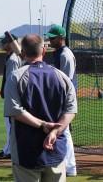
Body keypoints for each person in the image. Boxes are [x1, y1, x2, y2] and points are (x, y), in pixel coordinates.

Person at [4, 34, 77, 182]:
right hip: (56, 148)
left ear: (23, 53)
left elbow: (15, 111)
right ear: (43, 52)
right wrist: (55, 131)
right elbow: (70, 110)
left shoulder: (15, 77)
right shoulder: (61, 76)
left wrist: (43, 125)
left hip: (26, 150)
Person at [45, 25, 77, 177]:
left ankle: (70, 167)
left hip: (65, 98)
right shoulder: (58, 53)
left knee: (63, 130)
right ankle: (68, 165)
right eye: (50, 37)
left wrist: (58, 99)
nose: (50, 40)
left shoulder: (65, 54)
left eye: (53, 37)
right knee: (62, 130)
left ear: (61, 38)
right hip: (60, 97)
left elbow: (66, 81)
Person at [0, 34, 23, 160]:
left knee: (10, 125)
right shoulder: (15, 57)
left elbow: (12, 80)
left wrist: (10, 97)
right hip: (18, 96)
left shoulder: (12, 59)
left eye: (4, 43)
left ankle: (9, 151)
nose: (2, 45)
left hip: (13, 97)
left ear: (11, 44)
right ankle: (10, 149)